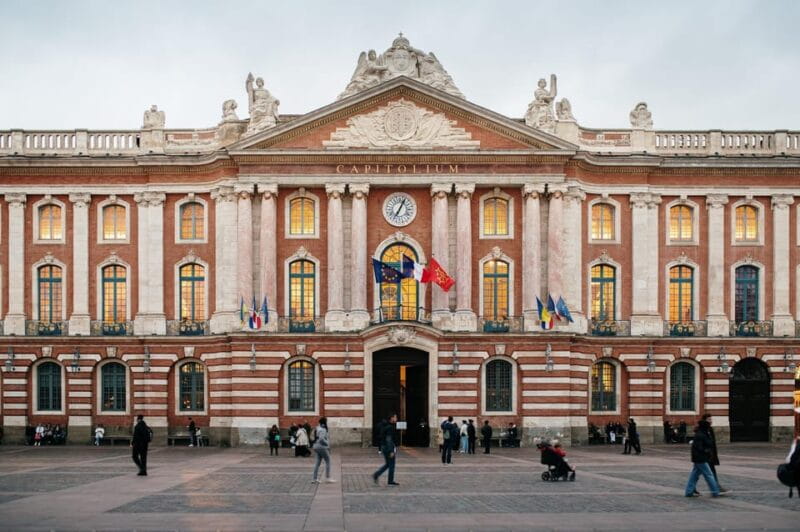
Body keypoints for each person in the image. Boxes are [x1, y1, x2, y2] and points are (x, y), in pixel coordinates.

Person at [684, 418, 724, 497]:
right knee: (709, 475)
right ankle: (715, 491)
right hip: (701, 458)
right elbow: (700, 447)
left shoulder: (702, 433)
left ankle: (689, 491)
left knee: (694, 475)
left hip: (698, 458)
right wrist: (707, 451)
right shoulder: (701, 434)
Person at [699, 413, 728, 493]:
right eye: (709, 420)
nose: (711, 421)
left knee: (696, 474)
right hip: (704, 455)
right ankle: (716, 488)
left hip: (708, 455)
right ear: (705, 420)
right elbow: (702, 443)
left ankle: (691, 489)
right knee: (709, 472)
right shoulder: (703, 429)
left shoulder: (709, 429)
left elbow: (712, 444)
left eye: (711, 420)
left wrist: (714, 455)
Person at [373, 413, 399, 486]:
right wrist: (391, 451)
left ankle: (376, 474)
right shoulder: (390, 427)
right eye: (395, 417)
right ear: (391, 418)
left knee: (388, 464)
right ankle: (390, 481)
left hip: (383, 447)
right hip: (388, 448)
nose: (396, 419)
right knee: (392, 465)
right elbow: (389, 439)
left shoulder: (385, 425)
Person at [311, 417, 335, 483]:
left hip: (316, 446)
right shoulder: (323, 429)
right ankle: (328, 477)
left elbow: (315, 437)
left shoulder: (317, 428)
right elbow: (321, 439)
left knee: (317, 463)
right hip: (322, 447)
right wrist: (327, 444)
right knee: (328, 461)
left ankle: (314, 479)